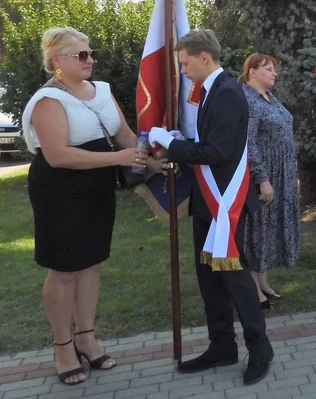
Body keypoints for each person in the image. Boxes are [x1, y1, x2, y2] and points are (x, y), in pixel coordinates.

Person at [22, 28, 152, 386]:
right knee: (65, 269)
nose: (90, 59)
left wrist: (149, 159)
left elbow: (124, 135)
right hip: (59, 190)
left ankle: (86, 336)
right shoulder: (48, 99)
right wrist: (118, 158)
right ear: (57, 61)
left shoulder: (103, 91)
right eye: (81, 55)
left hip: (97, 187)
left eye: (91, 53)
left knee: (92, 262)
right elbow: (58, 156)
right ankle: (63, 346)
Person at [148, 30, 273, 386]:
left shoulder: (228, 93)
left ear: (204, 58)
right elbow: (211, 143)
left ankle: (260, 347)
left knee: (234, 276)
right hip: (208, 201)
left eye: (185, 63)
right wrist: (178, 142)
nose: (183, 70)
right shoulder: (210, 91)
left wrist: (171, 144)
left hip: (226, 203)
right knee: (209, 278)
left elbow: (218, 152)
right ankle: (222, 345)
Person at [239, 53, 300, 309]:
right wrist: (262, 179)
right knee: (259, 229)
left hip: (282, 173)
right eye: (268, 69)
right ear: (252, 72)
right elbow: (249, 142)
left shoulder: (269, 97)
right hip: (265, 174)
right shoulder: (248, 100)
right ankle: (253, 288)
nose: (274, 73)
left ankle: (262, 281)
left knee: (270, 229)